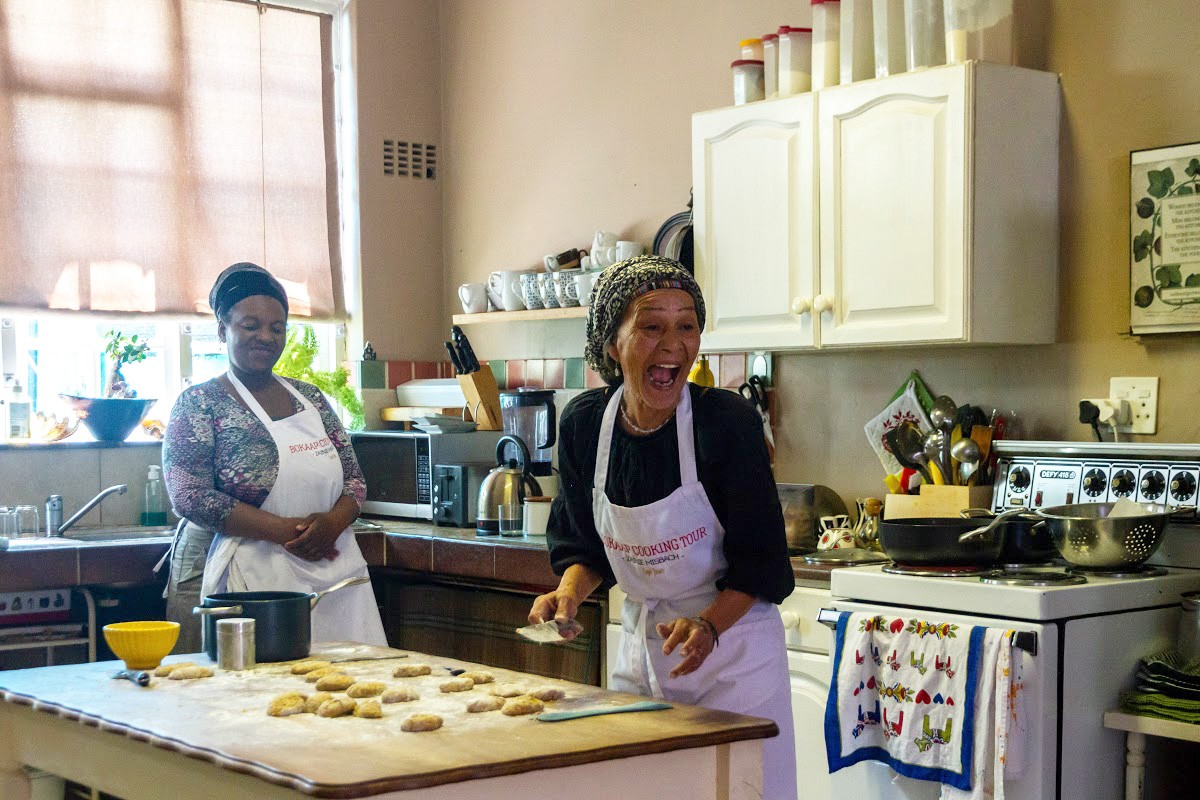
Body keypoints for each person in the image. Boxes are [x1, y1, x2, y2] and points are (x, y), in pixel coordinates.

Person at [528, 255, 797, 800]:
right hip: (642, 649)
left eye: (687, 325)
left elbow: (762, 564)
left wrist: (709, 627)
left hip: (734, 657)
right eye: (651, 326)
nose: (673, 344)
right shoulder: (584, 424)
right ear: (612, 342)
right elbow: (586, 547)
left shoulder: (726, 423)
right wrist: (567, 595)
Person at [162, 262, 385, 653]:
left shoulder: (311, 398)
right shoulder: (199, 403)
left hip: (333, 566)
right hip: (252, 576)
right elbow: (189, 495)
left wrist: (332, 523)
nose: (265, 336)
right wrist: (289, 532)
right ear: (222, 329)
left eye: (277, 327)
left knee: (350, 691)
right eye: (250, 325)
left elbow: (354, 480)